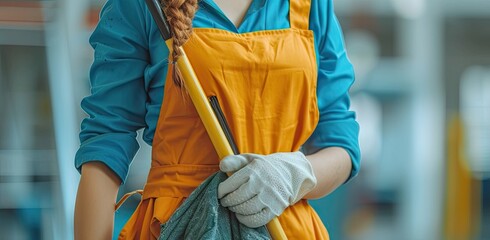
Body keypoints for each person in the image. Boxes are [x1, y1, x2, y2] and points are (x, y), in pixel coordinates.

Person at [73, 0, 360, 239]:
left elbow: (341, 144)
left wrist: (294, 175)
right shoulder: (144, 6)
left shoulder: (310, 5)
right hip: (179, 227)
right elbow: (107, 139)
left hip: (285, 226)